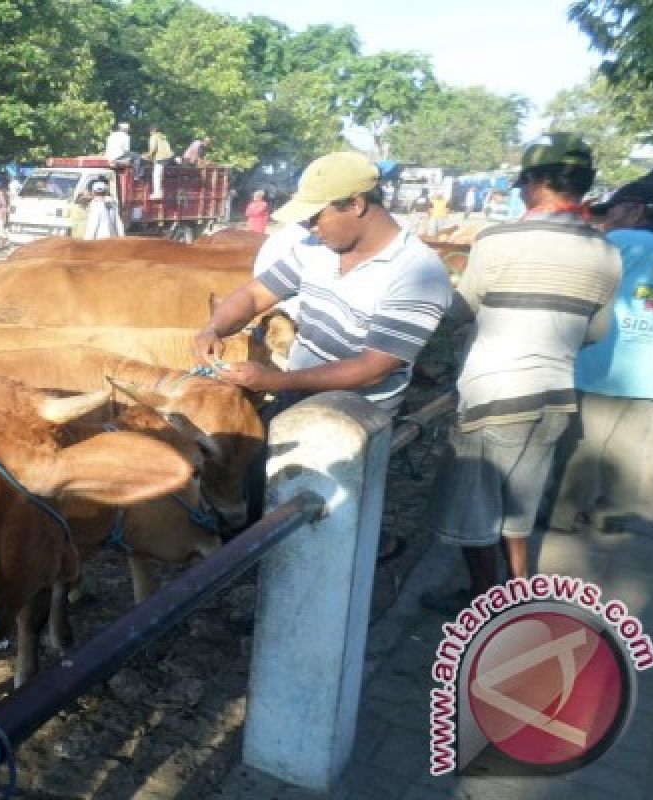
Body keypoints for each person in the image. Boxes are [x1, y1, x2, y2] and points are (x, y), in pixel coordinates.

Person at [194, 151, 452, 531]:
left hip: (352, 420)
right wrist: (213, 329)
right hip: (294, 398)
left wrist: (274, 380)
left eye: (316, 216)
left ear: (357, 204)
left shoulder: (417, 272)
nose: (309, 225)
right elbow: (254, 295)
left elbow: (373, 368)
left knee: (329, 521)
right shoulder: (314, 249)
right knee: (264, 493)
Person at [420, 133, 622, 615]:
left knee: (474, 512)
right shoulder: (606, 253)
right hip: (555, 395)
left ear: (533, 184)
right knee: (517, 512)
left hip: (495, 392)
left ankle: (488, 606)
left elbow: (462, 311)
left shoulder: (497, 240)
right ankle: (517, 592)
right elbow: (595, 332)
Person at [547, 179, 653, 535]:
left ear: (635, 209)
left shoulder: (619, 243)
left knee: (581, 447)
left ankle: (561, 516)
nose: (606, 220)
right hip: (652, 371)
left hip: (605, 365)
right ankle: (611, 516)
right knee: (628, 451)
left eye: (611, 210)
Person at [144, 125, 174, 200]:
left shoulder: (154, 137)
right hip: (168, 157)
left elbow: (153, 148)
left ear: (153, 131)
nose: (150, 133)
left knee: (156, 175)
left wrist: (148, 156)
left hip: (160, 157)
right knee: (161, 175)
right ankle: (161, 191)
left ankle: (157, 193)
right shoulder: (163, 137)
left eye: (150, 131)